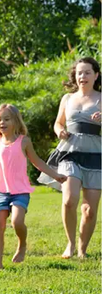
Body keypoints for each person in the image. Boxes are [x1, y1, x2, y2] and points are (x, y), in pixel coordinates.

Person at [0, 104, 67, 272]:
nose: (2, 122)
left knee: (17, 221)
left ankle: (22, 244)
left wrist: (55, 175)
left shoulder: (23, 142)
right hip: (0, 191)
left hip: (20, 190)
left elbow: (38, 162)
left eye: (6, 119)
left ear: (16, 121)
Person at [38, 57, 101, 259]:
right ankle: (71, 244)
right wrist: (60, 132)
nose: (82, 76)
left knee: (90, 210)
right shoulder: (67, 99)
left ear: (96, 75)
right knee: (68, 200)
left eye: (87, 72)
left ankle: (82, 249)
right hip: (69, 152)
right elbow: (58, 123)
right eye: (79, 72)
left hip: (95, 155)